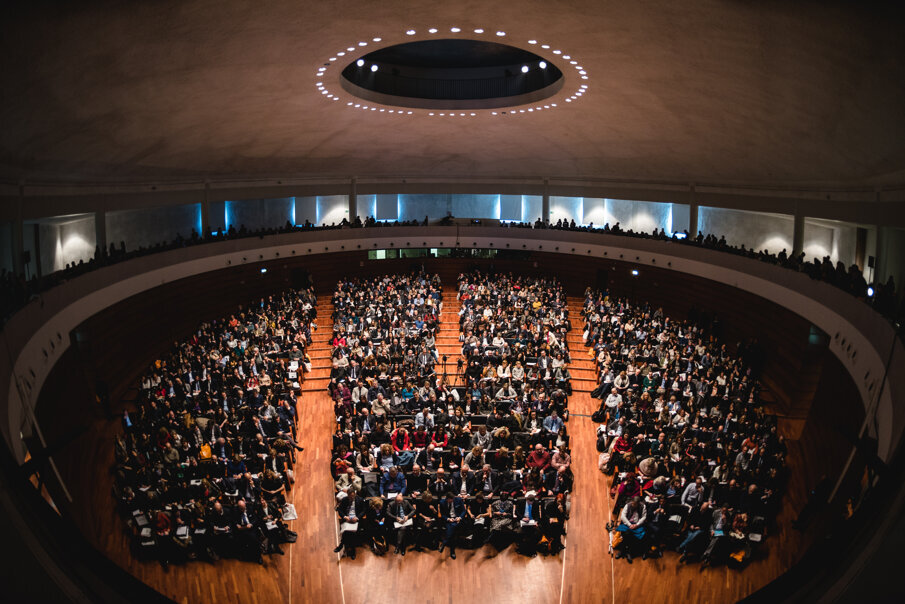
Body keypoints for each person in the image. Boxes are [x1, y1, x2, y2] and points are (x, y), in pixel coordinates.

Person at [334, 490, 366, 559]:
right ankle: (352, 550)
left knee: (351, 533)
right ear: (347, 495)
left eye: (353, 496)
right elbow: (340, 510)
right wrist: (345, 517)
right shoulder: (344, 500)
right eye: (350, 497)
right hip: (347, 519)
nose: (352, 498)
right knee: (347, 532)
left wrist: (357, 518)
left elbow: (363, 510)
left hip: (356, 520)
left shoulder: (360, 500)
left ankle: (341, 545)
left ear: (355, 495)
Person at [615, 496, 647, 563]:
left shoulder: (643, 507)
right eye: (632, 503)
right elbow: (623, 516)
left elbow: (644, 517)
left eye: (634, 504)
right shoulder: (628, 505)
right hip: (628, 524)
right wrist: (629, 525)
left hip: (637, 525)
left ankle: (623, 551)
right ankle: (627, 552)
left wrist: (637, 524)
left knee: (632, 535)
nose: (633, 505)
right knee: (627, 534)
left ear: (638, 504)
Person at [438, 493, 467, 559]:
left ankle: (444, 543)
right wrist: (448, 519)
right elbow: (442, 515)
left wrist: (460, 517)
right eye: (450, 500)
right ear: (447, 499)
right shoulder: (442, 503)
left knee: (452, 529)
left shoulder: (458, 500)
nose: (452, 501)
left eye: (452, 500)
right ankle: (452, 551)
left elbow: (463, 511)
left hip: (457, 520)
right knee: (453, 532)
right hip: (449, 520)